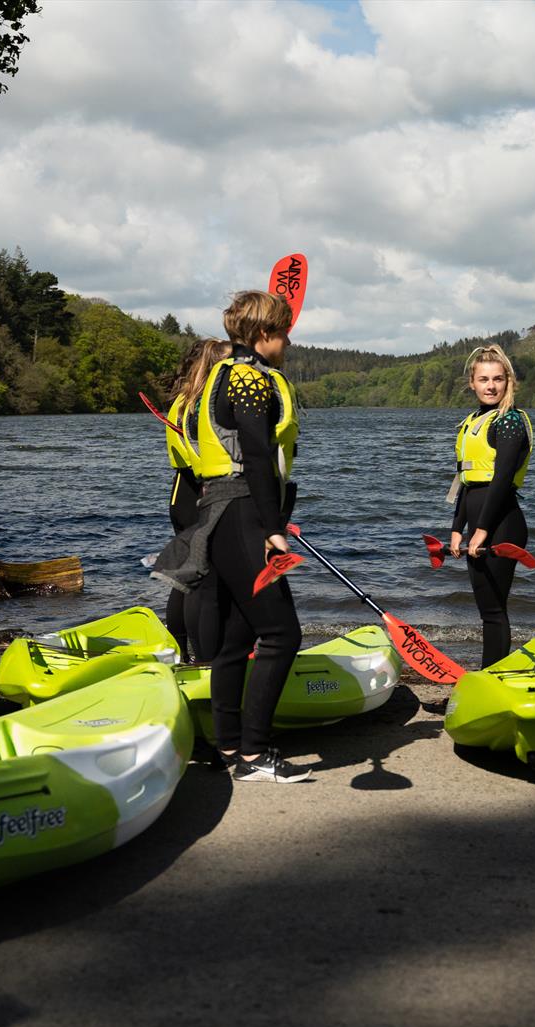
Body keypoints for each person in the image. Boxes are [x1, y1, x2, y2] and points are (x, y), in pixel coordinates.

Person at [189, 291, 306, 783]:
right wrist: (273, 529)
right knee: (282, 633)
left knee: (237, 638)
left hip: (221, 513)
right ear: (263, 334)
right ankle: (255, 754)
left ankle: (230, 745)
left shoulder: (222, 372)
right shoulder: (249, 378)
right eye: (283, 332)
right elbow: (257, 457)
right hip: (241, 514)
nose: (287, 341)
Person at [448, 344, 532, 670]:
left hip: (502, 523)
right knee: (486, 610)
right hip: (478, 523)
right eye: (484, 379)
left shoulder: (509, 421)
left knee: (495, 610)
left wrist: (481, 529)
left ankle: (492, 677)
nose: (491, 386)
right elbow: (464, 480)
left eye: (498, 379)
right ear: (472, 382)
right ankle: (490, 674)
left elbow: (502, 479)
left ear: (508, 381)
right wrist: (457, 528)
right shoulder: (473, 421)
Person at [162, 338, 232, 663]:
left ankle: (181, 653)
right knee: (202, 582)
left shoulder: (184, 400)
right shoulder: (205, 403)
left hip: (182, 492)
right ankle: (204, 659)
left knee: (186, 578)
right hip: (201, 492)